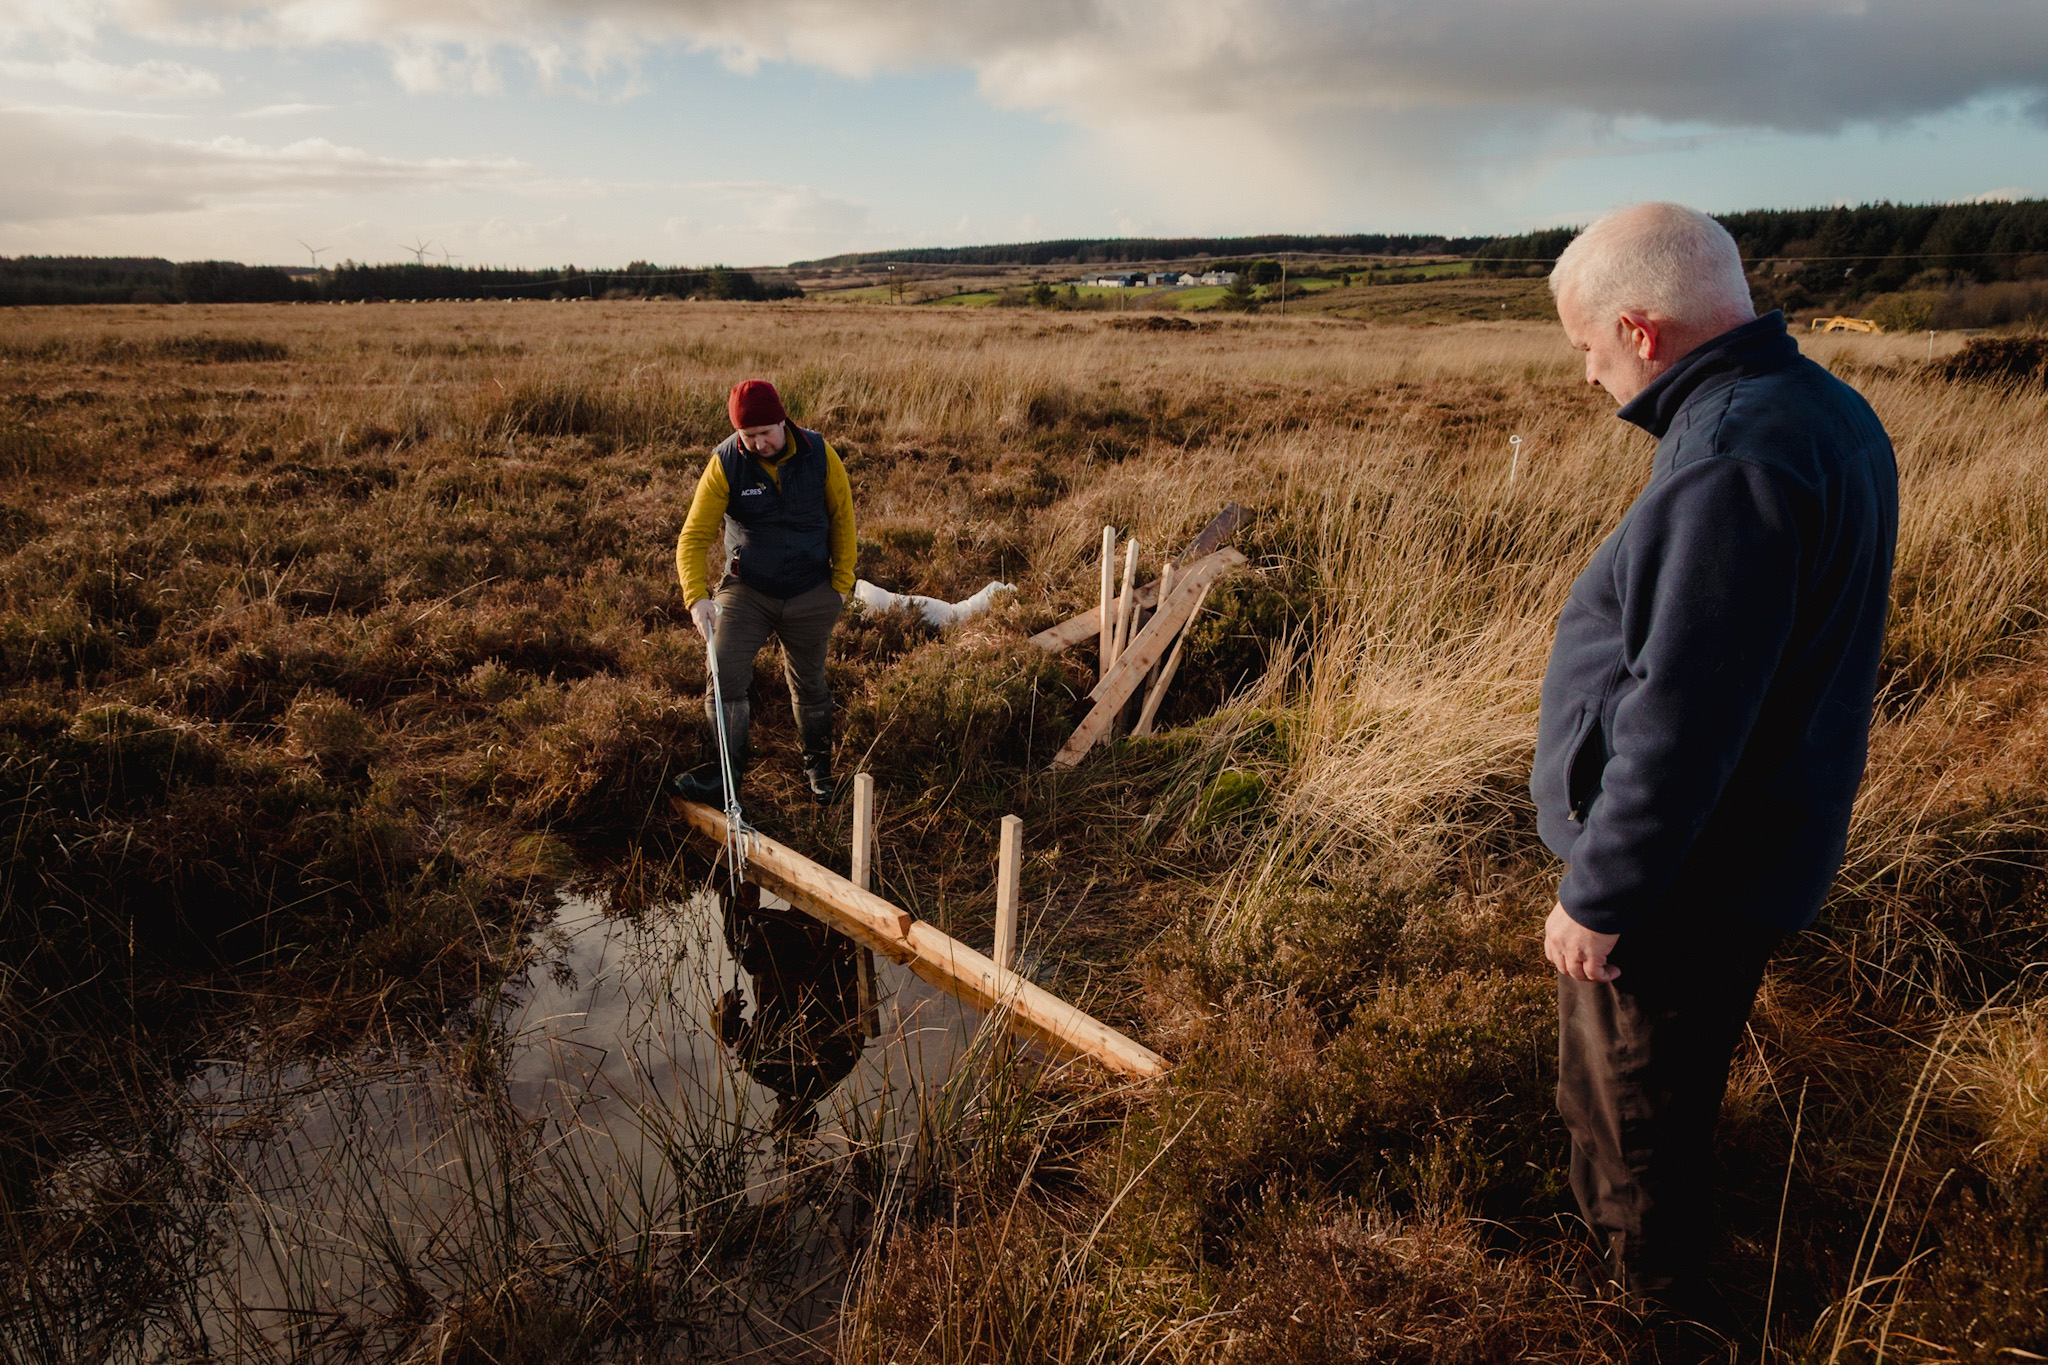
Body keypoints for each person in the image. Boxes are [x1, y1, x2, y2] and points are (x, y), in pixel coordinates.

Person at [1531, 203, 1898, 1305]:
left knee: (1631, 1120)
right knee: (1660, 1098)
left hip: (1681, 884)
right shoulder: (1816, 406)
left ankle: (1650, 1317)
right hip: (1743, 848)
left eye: (1588, 348)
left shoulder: (1730, 456)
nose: (1588, 375)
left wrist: (1601, 893)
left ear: (1638, 331)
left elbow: (1684, 714)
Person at [673, 379, 857, 804]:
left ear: (782, 421)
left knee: (810, 684)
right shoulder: (724, 463)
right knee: (723, 672)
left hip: (811, 589)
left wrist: (841, 586)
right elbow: (693, 536)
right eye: (747, 435)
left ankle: (819, 771)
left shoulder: (819, 454)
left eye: (765, 433)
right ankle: (727, 777)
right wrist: (697, 597)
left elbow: (843, 519)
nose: (758, 444)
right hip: (747, 590)